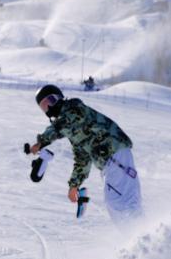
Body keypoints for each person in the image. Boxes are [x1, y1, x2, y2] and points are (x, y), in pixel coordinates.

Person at [25, 84, 141, 222]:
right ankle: (146, 235)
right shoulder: (73, 132)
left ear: (59, 98)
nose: (49, 108)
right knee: (118, 203)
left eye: (50, 101)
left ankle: (140, 235)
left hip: (115, 154)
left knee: (118, 203)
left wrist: (42, 142)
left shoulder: (74, 108)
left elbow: (63, 124)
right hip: (113, 161)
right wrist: (74, 185)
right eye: (44, 107)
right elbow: (82, 159)